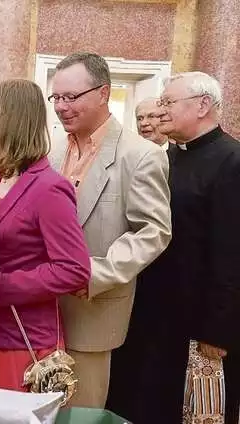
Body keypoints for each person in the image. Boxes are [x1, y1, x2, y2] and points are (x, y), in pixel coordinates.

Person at [108, 71, 240, 424]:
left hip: (198, 323)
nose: (161, 111)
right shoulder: (163, 157)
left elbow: (232, 254)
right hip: (151, 312)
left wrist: (218, 330)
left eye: (168, 103)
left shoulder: (232, 161)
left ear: (202, 105)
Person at [48, 52, 172, 408]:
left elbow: (153, 231)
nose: (61, 107)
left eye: (71, 97)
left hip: (93, 310)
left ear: (103, 93)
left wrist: (93, 274)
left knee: (81, 413)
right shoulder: (52, 149)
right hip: (41, 310)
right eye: (56, 97)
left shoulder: (141, 154)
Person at [0, 79, 91, 392]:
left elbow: (74, 269)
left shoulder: (49, 188)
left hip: (26, 339)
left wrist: (0, 288)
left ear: (13, 120)